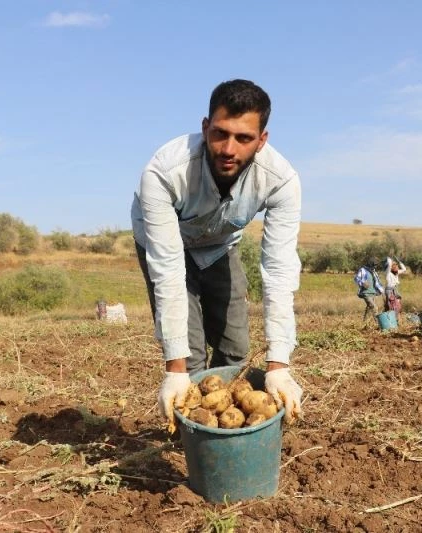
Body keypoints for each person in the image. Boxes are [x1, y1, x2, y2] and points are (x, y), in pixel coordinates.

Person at [130, 79, 303, 427]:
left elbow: (279, 270)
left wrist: (279, 366)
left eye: (244, 139)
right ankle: (194, 435)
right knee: (190, 358)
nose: (228, 148)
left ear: (262, 140)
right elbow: (167, 269)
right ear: (205, 127)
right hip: (167, 245)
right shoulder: (165, 171)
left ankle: (237, 430)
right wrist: (175, 370)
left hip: (220, 246)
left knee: (237, 350)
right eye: (221, 133)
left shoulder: (280, 180)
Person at [354, 260, 383, 324]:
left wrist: (381, 290)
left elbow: (377, 282)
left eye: (376, 265)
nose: (375, 266)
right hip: (365, 292)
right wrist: (363, 283)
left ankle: (364, 323)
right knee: (374, 307)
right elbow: (356, 278)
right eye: (374, 265)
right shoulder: (363, 270)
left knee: (369, 308)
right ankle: (379, 324)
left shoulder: (374, 271)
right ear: (370, 264)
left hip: (372, 292)